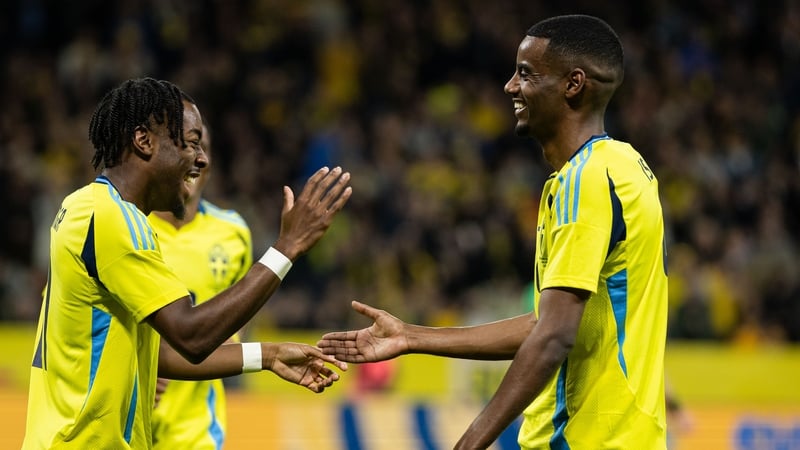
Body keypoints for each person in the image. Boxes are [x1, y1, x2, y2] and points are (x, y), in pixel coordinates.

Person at [318, 14, 669, 449]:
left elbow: (554, 335)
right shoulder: (625, 167)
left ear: (573, 84)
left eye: (525, 74)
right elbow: (551, 323)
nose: (509, 87)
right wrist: (411, 336)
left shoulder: (588, 180)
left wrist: (470, 442)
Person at [23, 77, 352, 449]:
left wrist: (269, 355)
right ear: (144, 140)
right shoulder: (112, 219)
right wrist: (287, 247)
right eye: (192, 142)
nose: (202, 159)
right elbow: (190, 336)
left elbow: (162, 353)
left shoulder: (87, 206)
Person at [149, 122, 252, 449]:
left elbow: (241, 317)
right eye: (185, 145)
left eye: (202, 146)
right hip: (126, 411)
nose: (196, 157)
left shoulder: (233, 233)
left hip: (196, 426)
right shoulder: (126, 227)